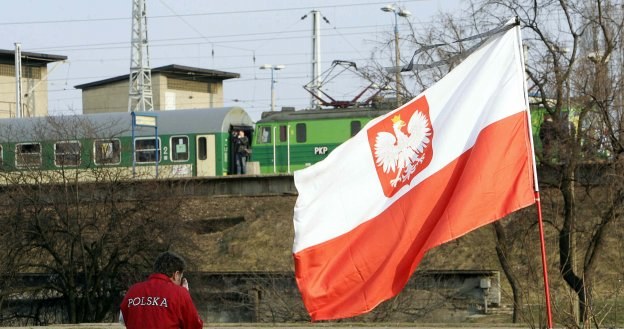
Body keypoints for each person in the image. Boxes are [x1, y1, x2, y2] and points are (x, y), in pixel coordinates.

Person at [120, 251, 203, 329]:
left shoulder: (133, 290)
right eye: (180, 277)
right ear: (176, 275)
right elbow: (195, 326)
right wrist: (185, 295)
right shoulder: (179, 293)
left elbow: (123, 320)